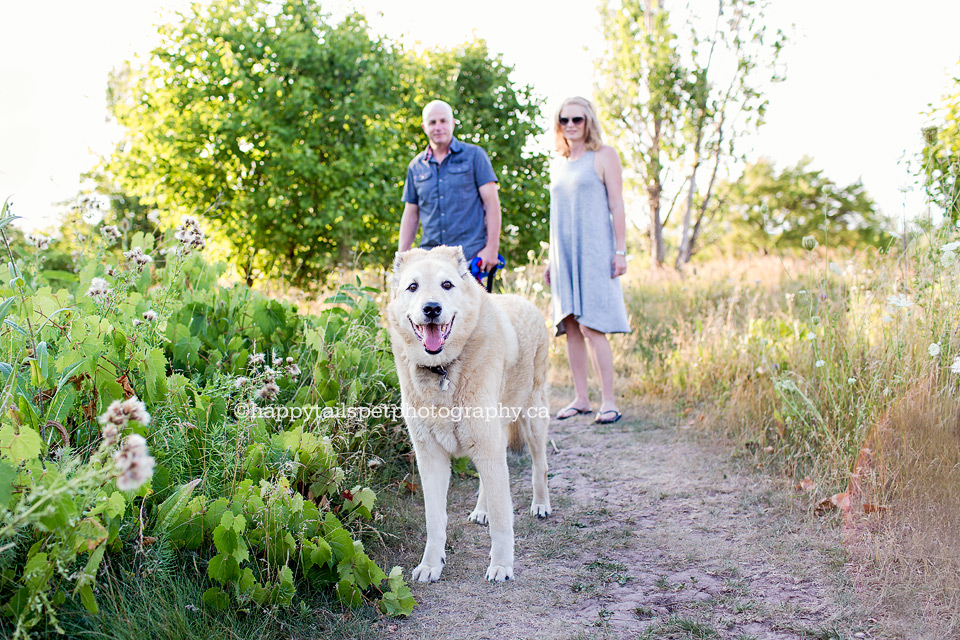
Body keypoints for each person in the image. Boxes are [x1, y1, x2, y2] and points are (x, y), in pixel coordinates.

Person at [546, 96, 630, 425]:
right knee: (571, 326)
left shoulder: (604, 156)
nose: (570, 125)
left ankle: (608, 401)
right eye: (564, 120)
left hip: (595, 250)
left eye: (576, 119)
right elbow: (556, 214)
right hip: (563, 254)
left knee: (592, 325)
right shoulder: (560, 161)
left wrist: (620, 251)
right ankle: (581, 399)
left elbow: (617, 206)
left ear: (588, 121)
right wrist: (551, 259)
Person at [399, 100, 502, 272]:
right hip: (430, 262)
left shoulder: (474, 156)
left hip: (470, 258)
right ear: (424, 127)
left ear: (453, 123)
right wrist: (402, 258)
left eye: (443, 121)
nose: (438, 127)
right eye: (432, 122)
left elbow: (492, 203)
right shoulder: (416, 166)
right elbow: (411, 214)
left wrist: (492, 248)